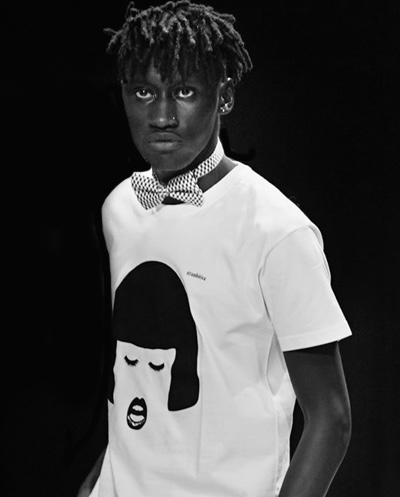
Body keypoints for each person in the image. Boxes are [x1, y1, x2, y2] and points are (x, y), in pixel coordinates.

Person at [79, 2, 352, 496]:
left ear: (224, 97)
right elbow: (133, 386)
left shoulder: (276, 229)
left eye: (185, 92)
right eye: (143, 92)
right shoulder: (120, 208)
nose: (162, 116)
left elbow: (331, 419)